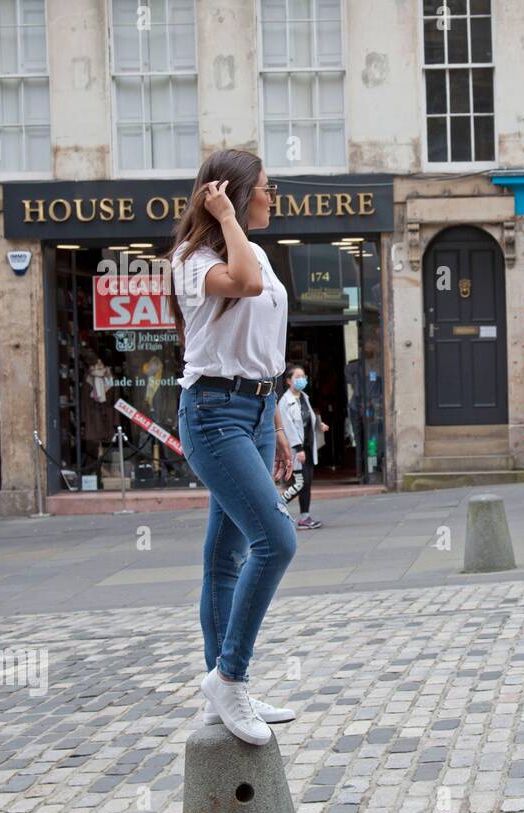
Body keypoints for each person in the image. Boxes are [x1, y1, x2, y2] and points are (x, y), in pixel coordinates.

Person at [168, 149, 299, 746]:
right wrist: (223, 219)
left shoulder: (259, 253)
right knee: (275, 540)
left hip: (251, 410)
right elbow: (243, 286)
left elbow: (264, 343)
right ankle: (230, 676)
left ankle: (222, 693)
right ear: (239, 195)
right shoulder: (193, 261)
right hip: (212, 415)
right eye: (267, 189)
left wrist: (273, 423)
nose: (275, 197)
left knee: (224, 558)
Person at [277, 364, 328, 529]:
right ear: (288, 381)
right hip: (296, 449)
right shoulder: (285, 402)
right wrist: (298, 449)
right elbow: (288, 426)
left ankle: (305, 517)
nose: (302, 380)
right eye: (297, 377)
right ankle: (276, 506)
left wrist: (319, 425)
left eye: (303, 377)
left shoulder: (304, 397)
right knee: (300, 483)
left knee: (307, 483)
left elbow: (308, 419)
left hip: (307, 448)